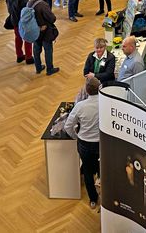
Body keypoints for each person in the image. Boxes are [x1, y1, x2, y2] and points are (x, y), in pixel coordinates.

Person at [64, 77, 101, 208]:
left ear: (87, 90)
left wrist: (76, 136)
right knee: (102, 168)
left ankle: (93, 199)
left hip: (84, 144)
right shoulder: (106, 103)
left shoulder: (80, 106)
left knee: (87, 170)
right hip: (101, 144)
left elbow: (68, 126)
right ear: (99, 88)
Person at [27, 0, 59, 75]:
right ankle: (50, 69)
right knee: (48, 50)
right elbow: (52, 19)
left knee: (36, 49)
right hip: (46, 32)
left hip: (35, 31)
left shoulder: (29, 3)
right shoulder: (43, 5)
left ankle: (38, 67)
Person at [5, 0, 33, 64]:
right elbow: (25, 9)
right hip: (22, 20)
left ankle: (19, 55)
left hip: (14, 19)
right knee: (27, 38)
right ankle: (29, 57)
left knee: (18, 38)